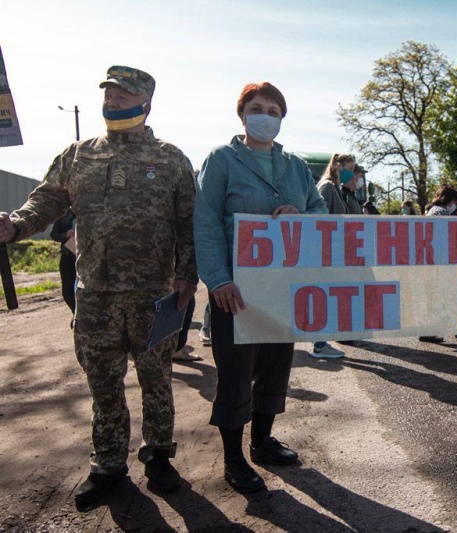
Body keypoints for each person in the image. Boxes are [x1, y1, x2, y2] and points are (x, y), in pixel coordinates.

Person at [0, 66, 197, 506]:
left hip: (155, 295)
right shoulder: (79, 155)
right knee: (104, 384)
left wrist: (187, 275)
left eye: (122, 95)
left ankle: (159, 456)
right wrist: (14, 226)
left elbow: (189, 223)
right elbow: (46, 200)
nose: (111, 101)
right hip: (95, 295)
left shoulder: (171, 159)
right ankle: (108, 464)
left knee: (156, 380)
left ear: (145, 104)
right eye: (108, 93)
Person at [194, 81, 327, 493]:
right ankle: (233, 458)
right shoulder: (221, 160)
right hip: (235, 289)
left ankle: (263, 441)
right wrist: (217, 279)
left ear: (282, 118)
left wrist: (300, 214)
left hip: (281, 287)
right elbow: (205, 221)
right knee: (235, 374)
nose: (265, 115)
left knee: (275, 365)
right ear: (242, 114)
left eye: (273, 110)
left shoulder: (296, 166)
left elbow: (320, 211)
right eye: (257, 107)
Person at [312, 153, 354, 359]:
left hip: (332, 251)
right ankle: (320, 344)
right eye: (349, 168)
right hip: (326, 252)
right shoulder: (327, 187)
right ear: (337, 166)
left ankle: (321, 342)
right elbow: (320, 218)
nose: (351, 174)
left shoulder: (334, 187)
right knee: (325, 297)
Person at [420, 184, 457, 343]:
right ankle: (430, 330)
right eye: (455, 203)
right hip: (439, 261)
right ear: (450, 200)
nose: (456, 206)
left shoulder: (432, 210)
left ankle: (428, 330)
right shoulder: (442, 213)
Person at [49, 207, 76, 314]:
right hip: (68, 256)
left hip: (87, 259)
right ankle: (75, 313)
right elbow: (53, 234)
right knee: (67, 292)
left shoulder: (90, 211)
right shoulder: (63, 214)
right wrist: (65, 235)